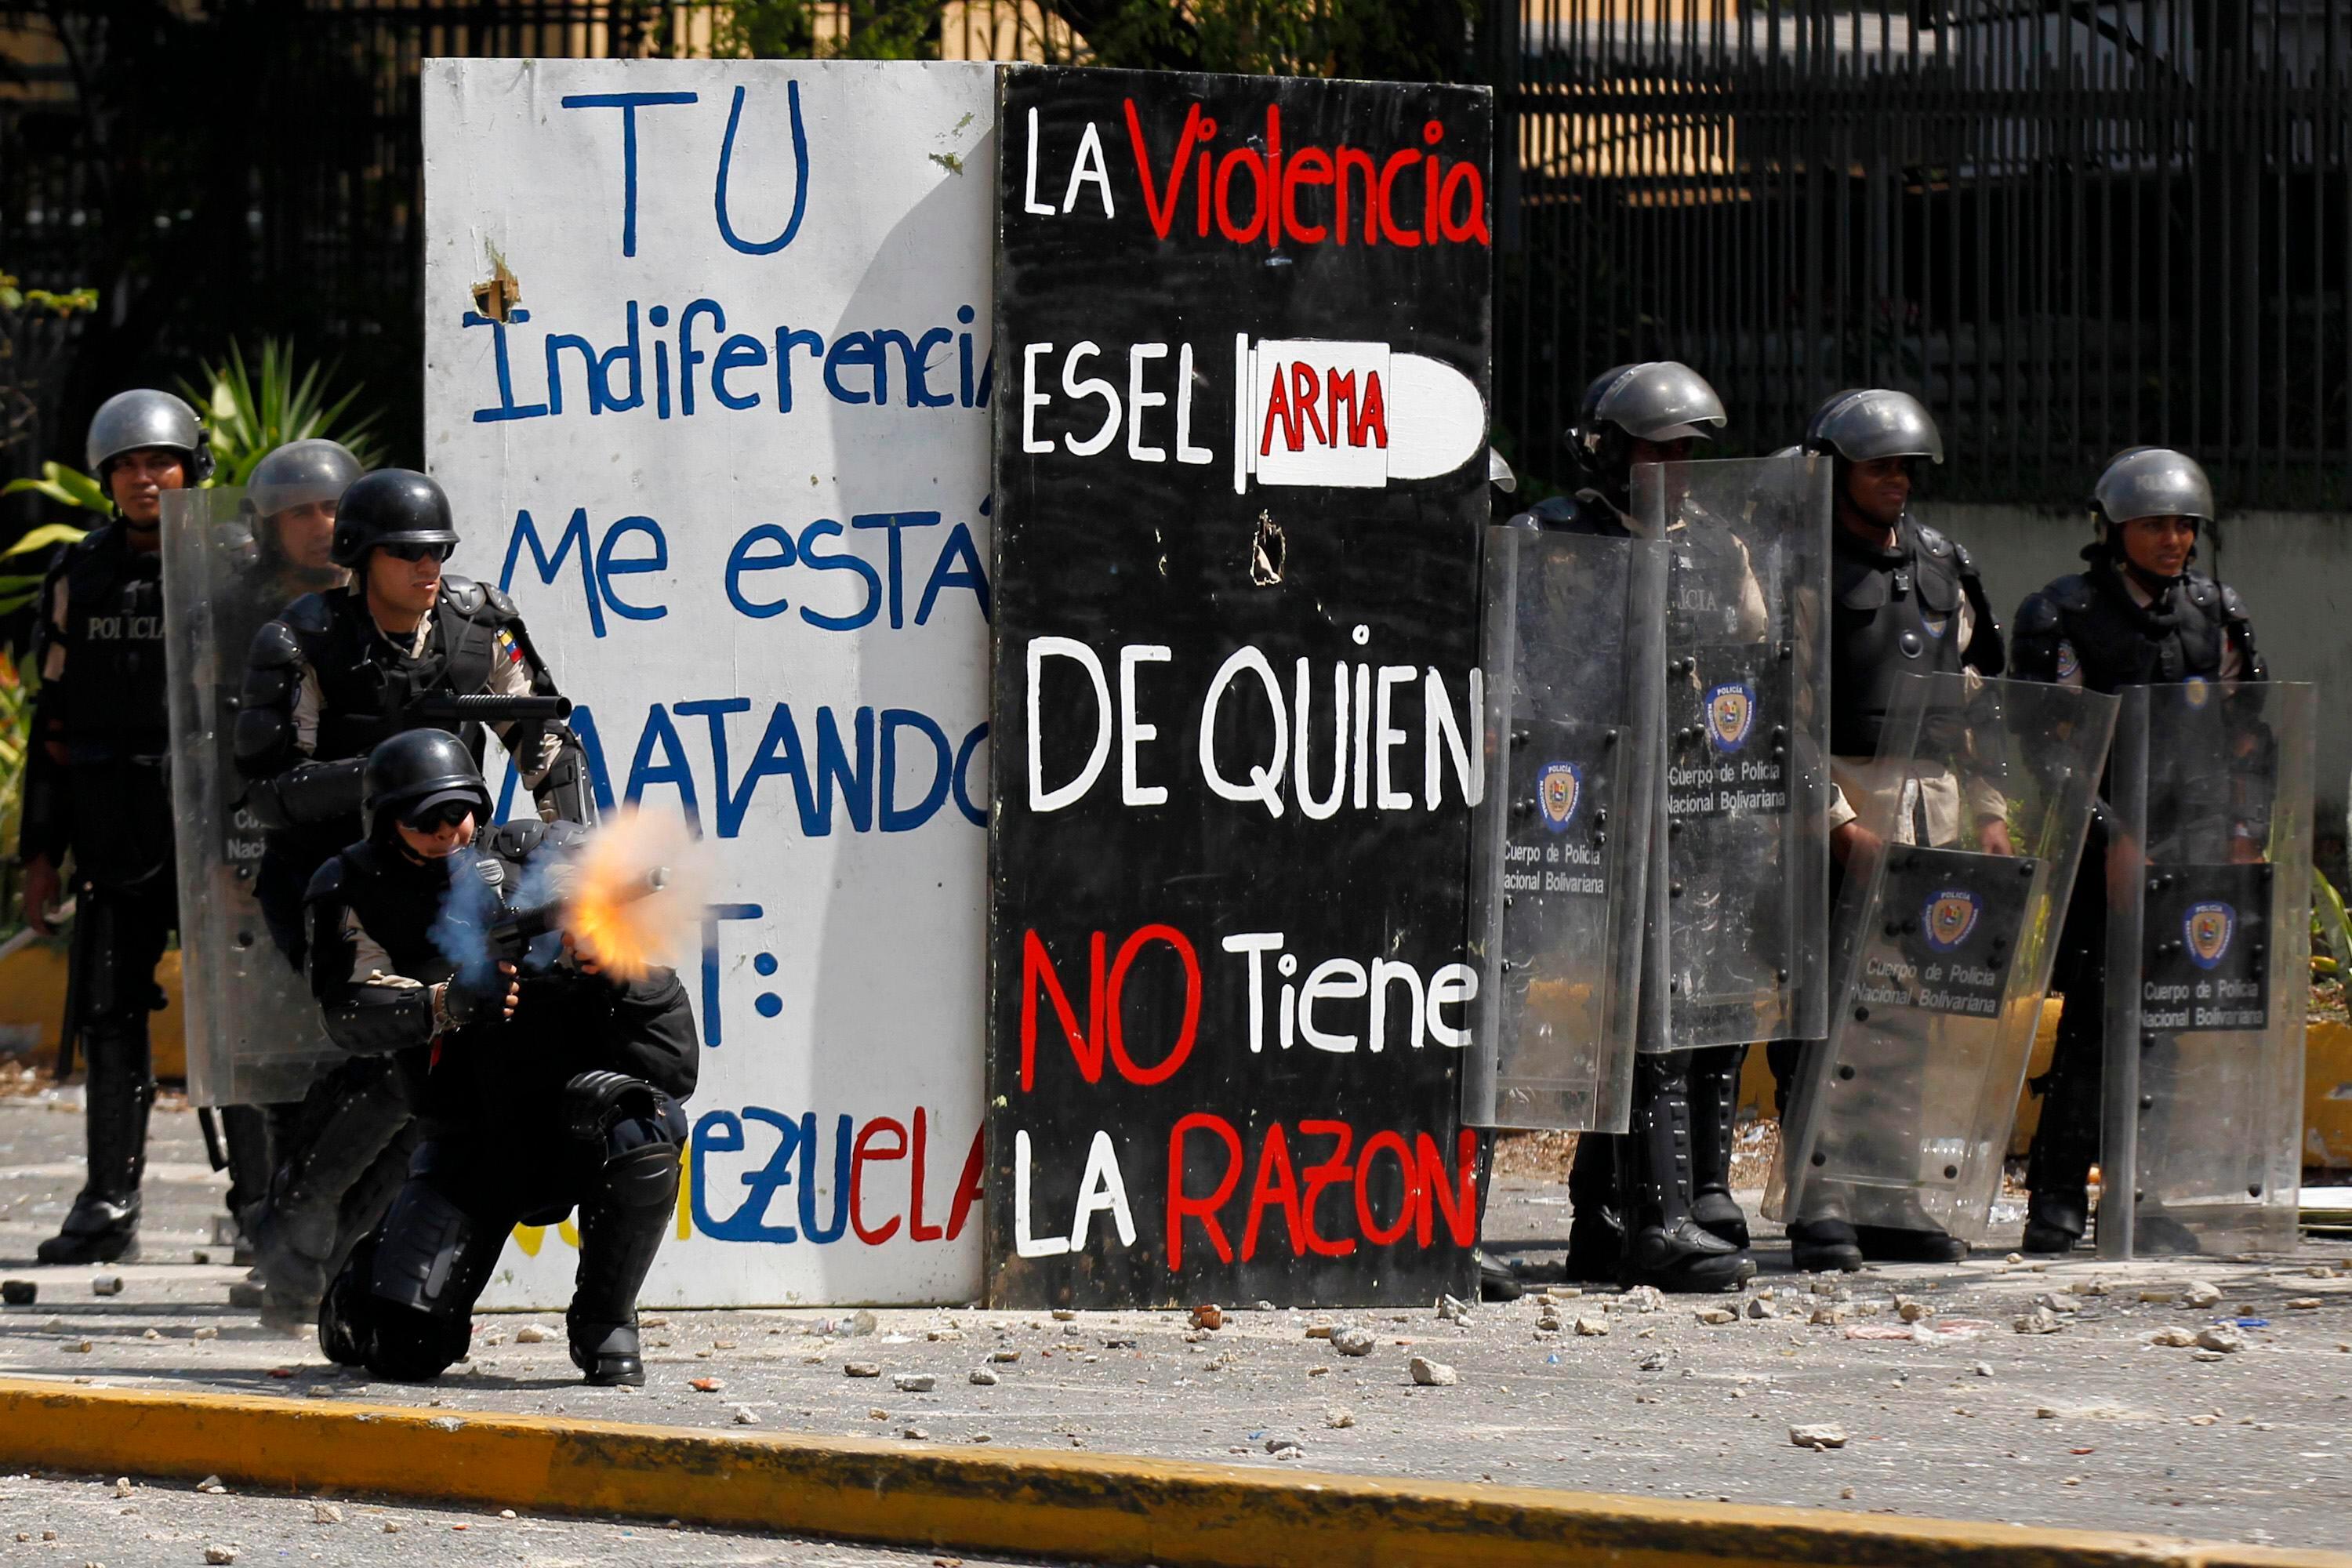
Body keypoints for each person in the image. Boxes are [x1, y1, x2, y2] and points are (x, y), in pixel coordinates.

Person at [233, 467, 593, 1326]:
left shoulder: (479, 627)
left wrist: (568, 864)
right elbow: (269, 789)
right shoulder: (303, 640)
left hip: (447, 876)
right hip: (333, 881)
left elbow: (548, 749)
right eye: (406, 554)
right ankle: (297, 1220)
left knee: (432, 1077)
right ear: (362, 558)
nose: (427, 569)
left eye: (437, 552)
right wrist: (395, 774)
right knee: (392, 1053)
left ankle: (324, 1245)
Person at [310, 730, 695, 1385]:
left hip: (575, 1117)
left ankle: (605, 1321)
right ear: (386, 820)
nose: (449, 830)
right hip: (472, 1136)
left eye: (460, 811)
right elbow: (350, 1014)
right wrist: (448, 1003)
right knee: (404, 1353)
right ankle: (367, 1282)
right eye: (425, 818)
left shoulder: (549, 859)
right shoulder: (356, 886)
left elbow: (675, 1069)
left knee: (645, 1127)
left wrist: (618, 973)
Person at [1518, 361, 1759, 1291]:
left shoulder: (1718, 550)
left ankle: (1609, 1217)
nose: (1674, 469)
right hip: (1574, 803)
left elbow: (1746, 664)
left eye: (1686, 452)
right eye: (1656, 448)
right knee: (1630, 1013)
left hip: (1682, 802)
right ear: (1608, 449)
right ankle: (1656, 1225)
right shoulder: (1553, 537)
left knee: (1675, 1001)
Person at [1768, 388, 2008, 1270]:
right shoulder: (1799, 562)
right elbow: (1778, 710)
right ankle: (1820, 1194)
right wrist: (1832, 819)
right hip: (1839, 792)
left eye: (1908, 466)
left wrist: (1987, 811)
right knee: (1825, 1006)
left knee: (1912, 1006)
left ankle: (1890, 1188)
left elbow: (1976, 699)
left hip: (1930, 797)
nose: (1898, 480)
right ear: (1834, 470)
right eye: (1880, 465)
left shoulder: (1945, 565)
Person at [2011, 447, 2264, 1255]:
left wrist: (2242, 832)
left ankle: (2148, 1196)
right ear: (2113, 529)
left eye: (2186, 525)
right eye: (2155, 524)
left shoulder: (2218, 614)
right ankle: (2054, 1201)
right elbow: (2047, 741)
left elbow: (2250, 733)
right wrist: (2108, 833)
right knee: (2092, 1024)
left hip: (2192, 852)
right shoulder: (2064, 613)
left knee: (2169, 1027)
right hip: (2101, 850)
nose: (2174, 539)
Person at [19, 390, 222, 1264]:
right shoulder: (78, 574)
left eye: (160, 461)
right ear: (107, 478)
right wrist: (40, 853)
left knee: (229, 1018)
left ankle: (263, 1205)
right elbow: (52, 718)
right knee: (106, 1013)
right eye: (128, 465)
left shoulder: (227, 561)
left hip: (206, 828)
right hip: (110, 826)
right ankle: (108, 1204)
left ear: (190, 468)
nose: (145, 477)